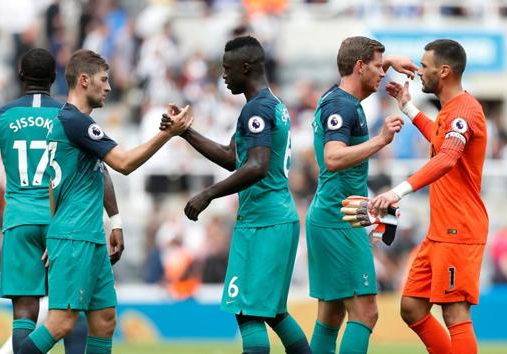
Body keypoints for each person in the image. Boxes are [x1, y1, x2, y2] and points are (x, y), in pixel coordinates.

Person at [17, 49, 192, 354]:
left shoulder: (74, 124)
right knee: (61, 322)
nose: (109, 87)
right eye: (103, 79)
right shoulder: (76, 122)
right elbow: (123, 163)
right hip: (75, 235)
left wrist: (116, 221)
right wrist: (169, 134)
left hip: (87, 236)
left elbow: (65, 180)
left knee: (105, 319)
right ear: (84, 81)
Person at [0, 48, 120, 354]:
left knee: (25, 314)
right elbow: (98, 170)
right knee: (69, 309)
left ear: (20, 75)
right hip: (62, 222)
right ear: (54, 78)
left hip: (20, 222)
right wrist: (114, 219)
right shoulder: (70, 116)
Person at [169, 35, 311, 354]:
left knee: (246, 312)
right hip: (278, 218)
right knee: (274, 313)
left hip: (263, 222)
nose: (223, 75)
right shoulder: (270, 104)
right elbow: (233, 156)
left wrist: (208, 194)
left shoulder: (256, 109)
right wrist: (185, 132)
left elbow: (258, 166)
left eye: (227, 68)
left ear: (245, 67)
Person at [368, 39, 488, 354]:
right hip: (441, 231)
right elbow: (440, 137)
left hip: (459, 228)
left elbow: (447, 157)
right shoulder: (452, 111)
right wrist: (408, 106)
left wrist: (398, 190)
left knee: (455, 313)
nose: (419, 71)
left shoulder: (465, 110)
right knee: (411, 307)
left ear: (444, 71)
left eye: (424, 66)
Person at [305, 36, 416, 354]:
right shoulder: (342, 105)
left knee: (331, 315)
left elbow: (357, 67)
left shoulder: (338, 99)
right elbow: (333, 157)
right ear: (359, 67)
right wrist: (381, 140)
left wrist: (389, 60)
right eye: (378, 67)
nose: (383, 74)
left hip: (335, 215)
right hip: (340, 219)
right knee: (366, 312)